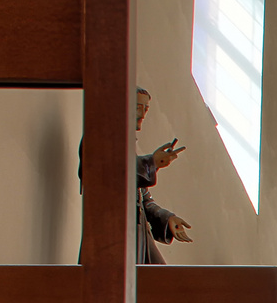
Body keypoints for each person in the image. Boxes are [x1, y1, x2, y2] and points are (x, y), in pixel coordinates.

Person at [79, 87, 193, 264]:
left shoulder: (128, 149)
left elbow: (143, 199)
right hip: (112, 231)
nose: (142, 114)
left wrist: (167, 219)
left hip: (137, 235)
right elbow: (108, 176)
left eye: (145, 109)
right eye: (137, 107)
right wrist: (151, 163)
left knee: (165, 282)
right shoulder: (98, 136)